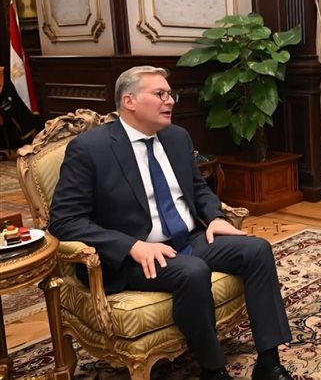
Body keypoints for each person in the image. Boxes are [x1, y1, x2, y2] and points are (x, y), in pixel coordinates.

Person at [49, 66, 293, 380]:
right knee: (192, 271)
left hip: (188, 238)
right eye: (160, 94)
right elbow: (64, 220)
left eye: (170, 93)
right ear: (129, 101)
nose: (171, 101)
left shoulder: (177, 137)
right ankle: (213, 370)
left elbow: (198, 187)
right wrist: (131, 246)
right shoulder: (90, 149)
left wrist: (215, 217)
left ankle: (269, 364)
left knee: (256, 250)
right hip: (136, 256)